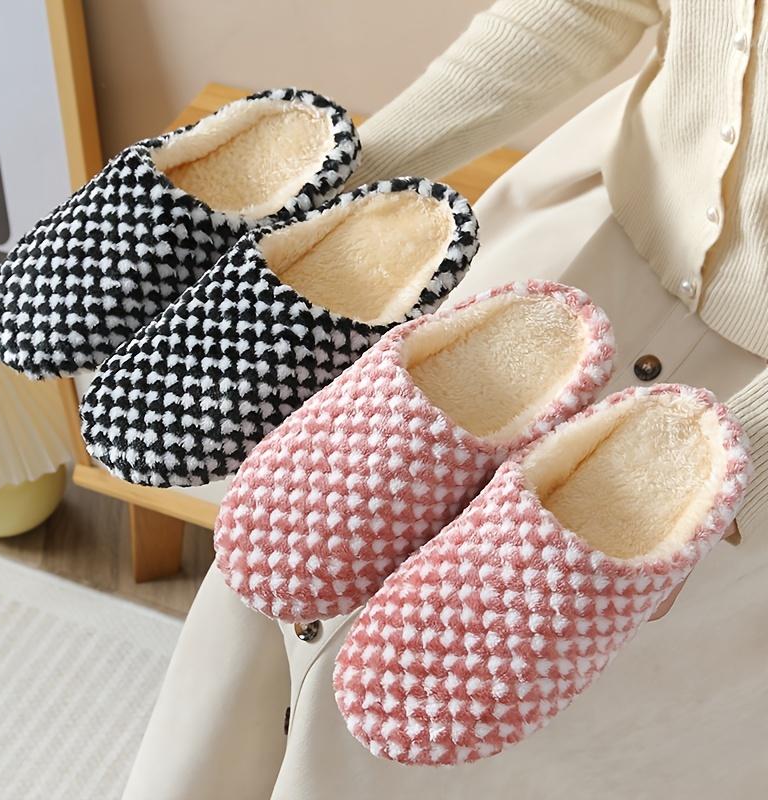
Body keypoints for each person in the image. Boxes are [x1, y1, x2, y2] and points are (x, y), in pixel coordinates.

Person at [122, 2, 768, 797]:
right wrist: (338, 187)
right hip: (589, 251)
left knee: (480, 723)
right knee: (289, 539)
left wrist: (746, 455)